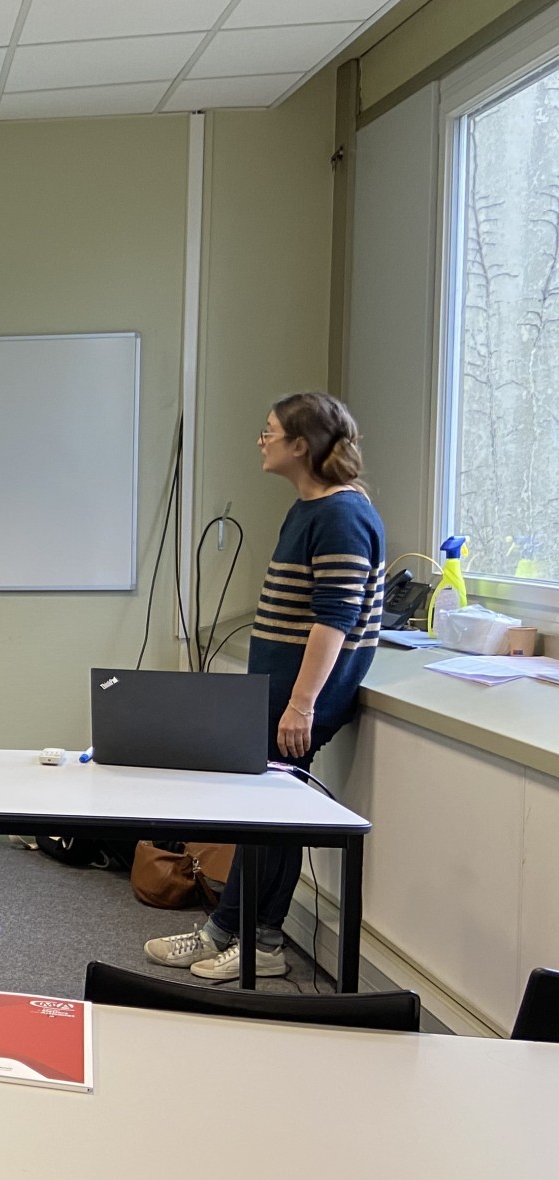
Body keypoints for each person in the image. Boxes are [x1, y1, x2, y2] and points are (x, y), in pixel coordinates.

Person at [147, 393, 386, 982]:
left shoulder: (341, 515)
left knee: (272, 820)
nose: (262, 439)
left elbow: (334, 617)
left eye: (270, 431)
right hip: (279, 690)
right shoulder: (309, 507)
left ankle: (263, 944)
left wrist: (302, 703)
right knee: (259, 815)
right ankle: (225, 931)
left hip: (301, 698)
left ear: (301, 446)